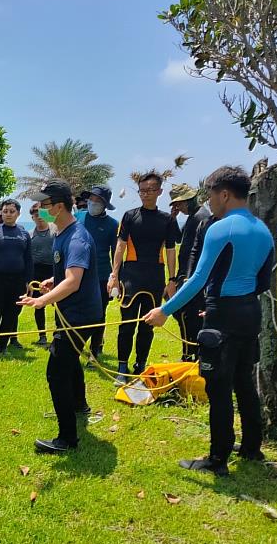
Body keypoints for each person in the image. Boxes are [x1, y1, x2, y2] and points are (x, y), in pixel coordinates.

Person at [144, 166, 275, 476]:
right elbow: (263, 281)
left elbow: (198, 278)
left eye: (211, 196)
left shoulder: (221, 228)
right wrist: (234, 300)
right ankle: (252, 448)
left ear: (225, 194)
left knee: (217, 387)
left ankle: (217, 459)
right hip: (249, 312)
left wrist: (166, 310)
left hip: (222, 315)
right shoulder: (263, 230)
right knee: (244, 382)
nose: (210, 203)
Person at [18, 180, 101, 453]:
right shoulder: (62, 232)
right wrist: (54, 280)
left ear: (59, 207)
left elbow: (74, 281)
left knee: (56, 373)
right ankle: (79, 405)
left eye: (44, 205)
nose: (40, 209)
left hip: (79, 316)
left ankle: (67, 439)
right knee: (69, 360)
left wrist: (41, 300)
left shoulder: (77, 237)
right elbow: (70, 273)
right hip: (73, 313)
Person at [107, 172, 180, 384]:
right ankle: (122, 367)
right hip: (130, 277)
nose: (145, 195)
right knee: (127, 323)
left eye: (150, 190)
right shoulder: (130, 216)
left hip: (155, 278)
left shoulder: (166, 220)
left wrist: (172, 279)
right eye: (142, 191)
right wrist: (114, 275)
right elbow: (120, 246)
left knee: (147, 325)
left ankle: (140, 364)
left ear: (159, 192)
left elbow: (170, 250)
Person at [0, 198, 33, 362]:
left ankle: (2, 348)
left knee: (11, 316)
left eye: (12, 211)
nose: (8, 214)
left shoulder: (24, 233)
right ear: (0, 213)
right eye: (5, 211)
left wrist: (28, 281)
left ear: (18, 213)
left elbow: (28, 259)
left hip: (17, 281)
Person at [169, 183, 212, 361]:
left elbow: (198, 251)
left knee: (188, 315)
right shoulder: (194, 217)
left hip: (191, 276)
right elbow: (181, 239)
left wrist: (189, 277)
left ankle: (190, 355)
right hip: (186, 274)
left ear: (188, 200)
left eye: (179, 204)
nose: (177, 207)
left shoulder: (201, 217)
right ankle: (191, 353)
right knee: (180, 312)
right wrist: (173, 219)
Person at [80, 186, 119, 361]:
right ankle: (76, 347)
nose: (93, 203)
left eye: (97, 201)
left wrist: (116, 278)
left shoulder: (112, 224)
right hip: (78, 274)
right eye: (91, 199)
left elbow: (116, 253)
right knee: (78, 313)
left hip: (102, 276)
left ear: (104, 204)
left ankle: (95, 351)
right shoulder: (78, 217)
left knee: (98, 314)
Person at [28, 203, 55, 346]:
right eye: (35, 215)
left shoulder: (56, 231)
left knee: (58, 303)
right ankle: (42, 336)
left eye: (41, 214)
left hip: (53, 271)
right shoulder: (29, 234)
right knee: (39, 305)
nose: (39, 217)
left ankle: (59, 335)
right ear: (32, 217)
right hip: (36, 272)